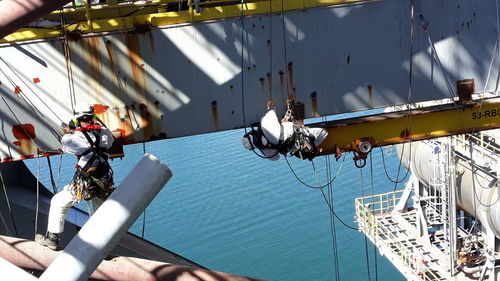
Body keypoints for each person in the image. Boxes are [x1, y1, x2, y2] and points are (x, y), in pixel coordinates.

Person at [35, 105, 115, 250]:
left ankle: (52, 238)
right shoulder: (104, 132)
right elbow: (111, 141)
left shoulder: (77, 136)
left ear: (77, 121)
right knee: (100, 210)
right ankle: (102, 244)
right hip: (103, 179)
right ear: (93, 118)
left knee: (59, 202)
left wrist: (70, 131)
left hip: (85, 180)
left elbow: (66, 146)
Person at [242, 108, 328, 160]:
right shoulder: (265, 124)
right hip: (298, 133)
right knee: (323, 132)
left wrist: (263, 148)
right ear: (252, 133)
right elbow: (272, 110)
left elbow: (276, 158)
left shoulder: (266, 151)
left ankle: (308, 148)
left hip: (294, 146)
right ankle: (309, 146)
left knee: (317, 137)